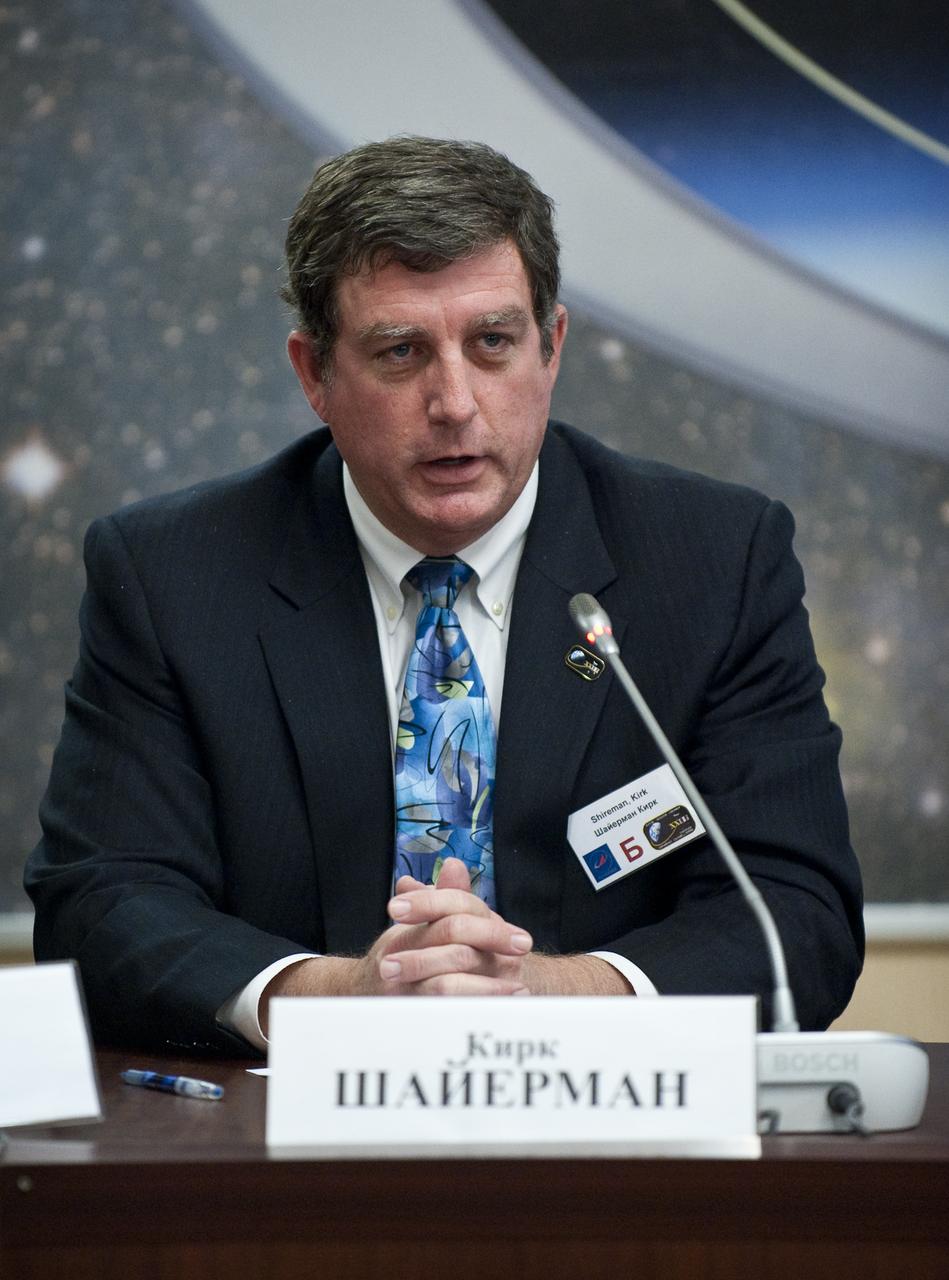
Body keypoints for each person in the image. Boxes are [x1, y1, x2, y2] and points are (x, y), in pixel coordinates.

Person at [25, 136, 863, 1055]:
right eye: (400, 351)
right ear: (315, 375)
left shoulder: (712, 561)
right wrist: (338, 997)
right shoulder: (174, 575)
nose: (454, 402)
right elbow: (100, 906)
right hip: (283, 1155)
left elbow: (797, 910)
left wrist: (548, 995)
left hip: (616, 1139)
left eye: (493, 342)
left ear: (551, 347)